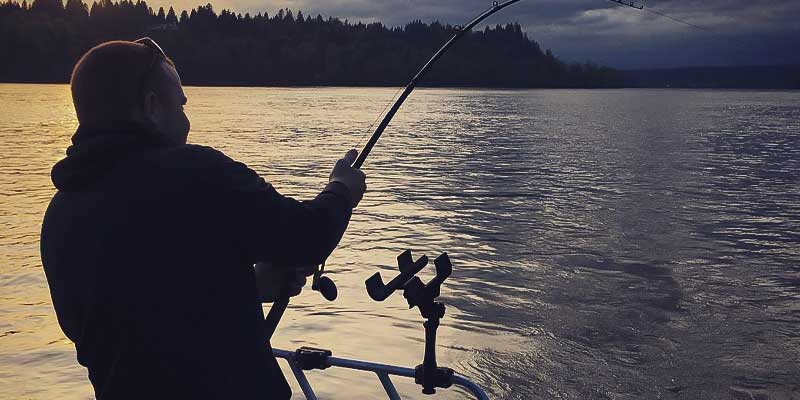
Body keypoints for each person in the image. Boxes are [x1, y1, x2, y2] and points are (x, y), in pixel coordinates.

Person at [39, 38, 366, 400]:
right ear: (151, 107)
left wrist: (247, 286)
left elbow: (119, 316)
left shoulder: (60, 215)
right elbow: (306, 238)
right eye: (179, 105)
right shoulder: (198, 173)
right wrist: (341, 191)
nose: (187, 122)